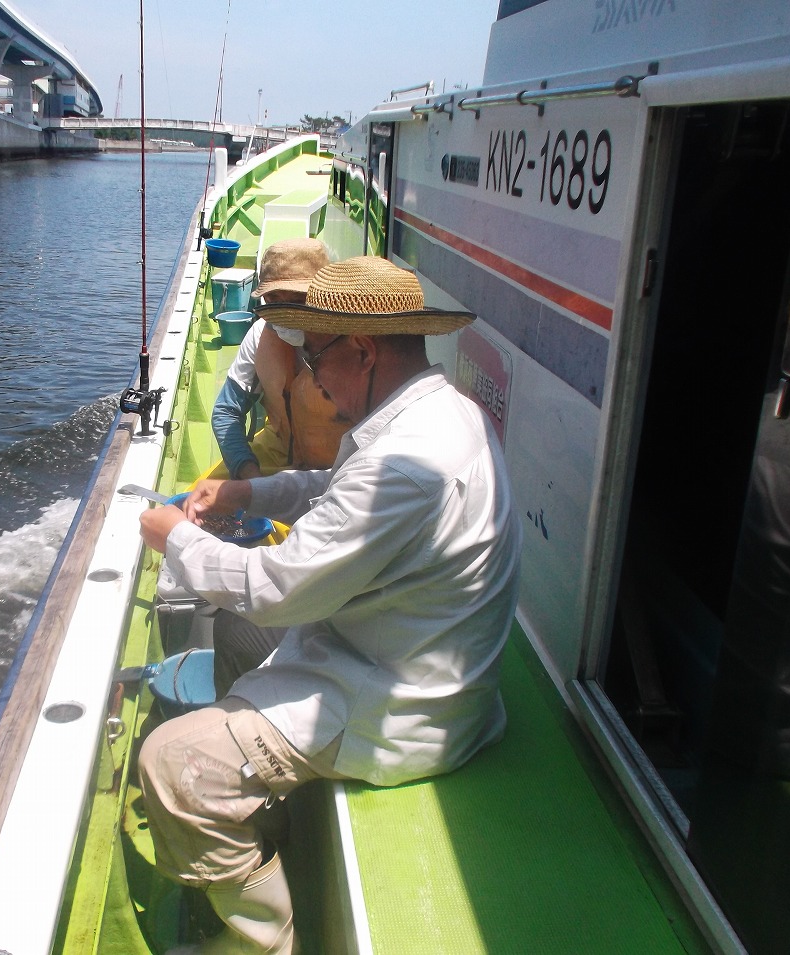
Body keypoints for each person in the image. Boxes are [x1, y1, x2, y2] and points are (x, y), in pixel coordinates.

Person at [137, 256, 523, 954]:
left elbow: (275, 588)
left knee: (168, 762)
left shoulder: (403, 462)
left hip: (401, 710)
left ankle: (264, 940)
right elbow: (339, 489)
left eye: (315, 358)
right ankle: (261, 818)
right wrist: (248, 493)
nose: (311, 379)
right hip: (407, 656)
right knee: (240, 639)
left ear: (363, 350)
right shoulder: (439, 414)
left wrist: (176, 539)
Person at [210, 238, 348, 481]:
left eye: (297, 300)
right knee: (198, 498)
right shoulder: (258, 335)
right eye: (273, 299)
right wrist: (248, 473)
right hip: (278, 452)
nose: (284, 311)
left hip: (343, 465)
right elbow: (226, 411)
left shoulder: (353, 342)